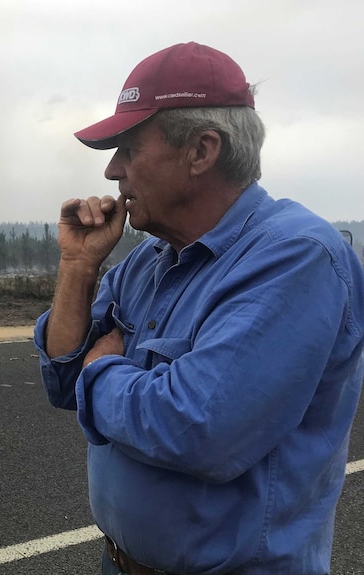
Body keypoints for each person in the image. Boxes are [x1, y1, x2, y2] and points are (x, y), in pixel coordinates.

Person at [34, 41, 364, 574]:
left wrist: (99, 370)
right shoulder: (150, 259)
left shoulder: (297, 257)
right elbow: (60, 377)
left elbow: (199, 430)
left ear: (201, 151)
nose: (112, 172)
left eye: (128, 149)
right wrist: (77, 268)